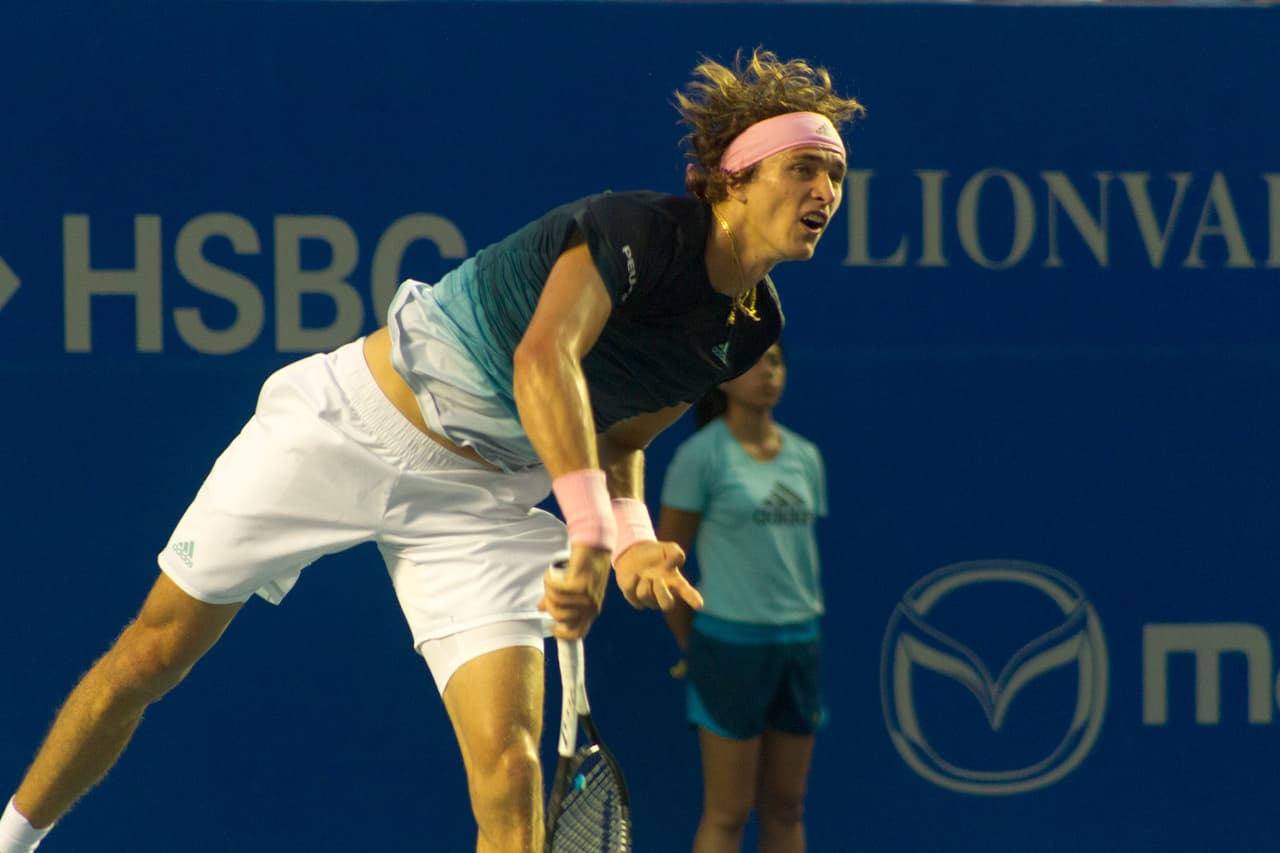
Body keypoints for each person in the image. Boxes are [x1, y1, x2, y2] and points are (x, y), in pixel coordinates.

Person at [0, 48, 863, 852]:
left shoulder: (751, 327)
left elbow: (622, 433)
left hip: (481, 508)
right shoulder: (634, 230)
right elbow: (543, 358)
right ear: (732, 179)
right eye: (804, 167)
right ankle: (13, 837)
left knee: (513, 770)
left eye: (835, 174)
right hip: (347, 426)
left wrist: (631, 535)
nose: (826, 189)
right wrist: (592, 533)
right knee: (152, 652)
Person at [657, 341, 829, 853]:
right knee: (729, 813)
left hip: (800, 645)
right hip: (727, 649)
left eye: (776, 361)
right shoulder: (700, 457)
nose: (768, 372)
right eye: (754, 360)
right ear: (724, 377)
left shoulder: (805, 457)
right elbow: (667, 567)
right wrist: (698, 644)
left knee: (786, 807)